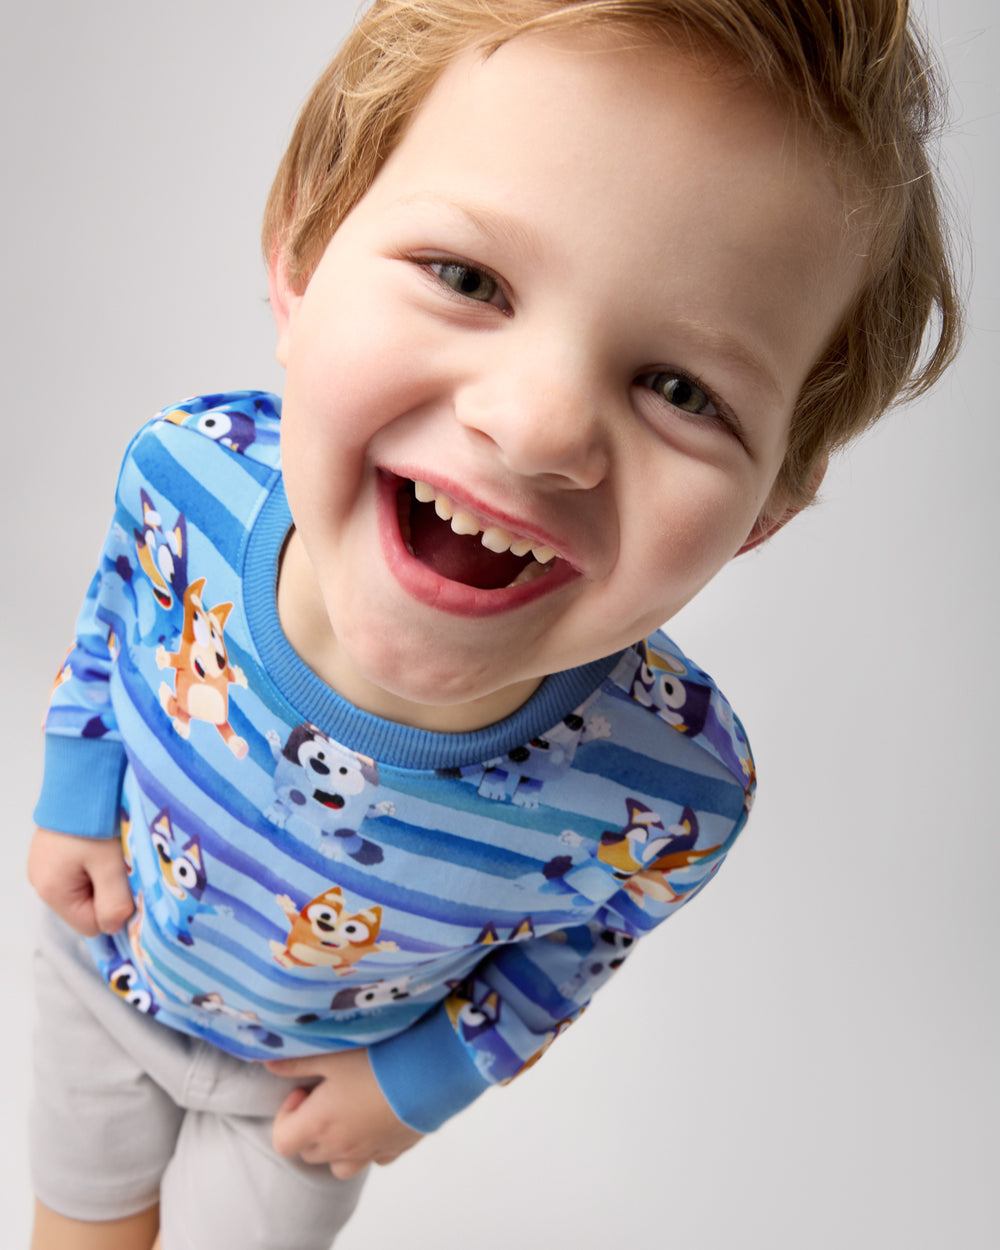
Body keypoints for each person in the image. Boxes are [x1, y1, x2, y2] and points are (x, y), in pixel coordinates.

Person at [26, 1, 961, 1248]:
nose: (535, 426)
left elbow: (580, 946)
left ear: (763, 516)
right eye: (469, 277)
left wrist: (418, 1086)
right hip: (104, 961)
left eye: (683, 390)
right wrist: (74, 794)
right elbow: (111, 618)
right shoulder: (186, 472)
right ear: (303, 251)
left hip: (306, 1095)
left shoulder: (670, 786)